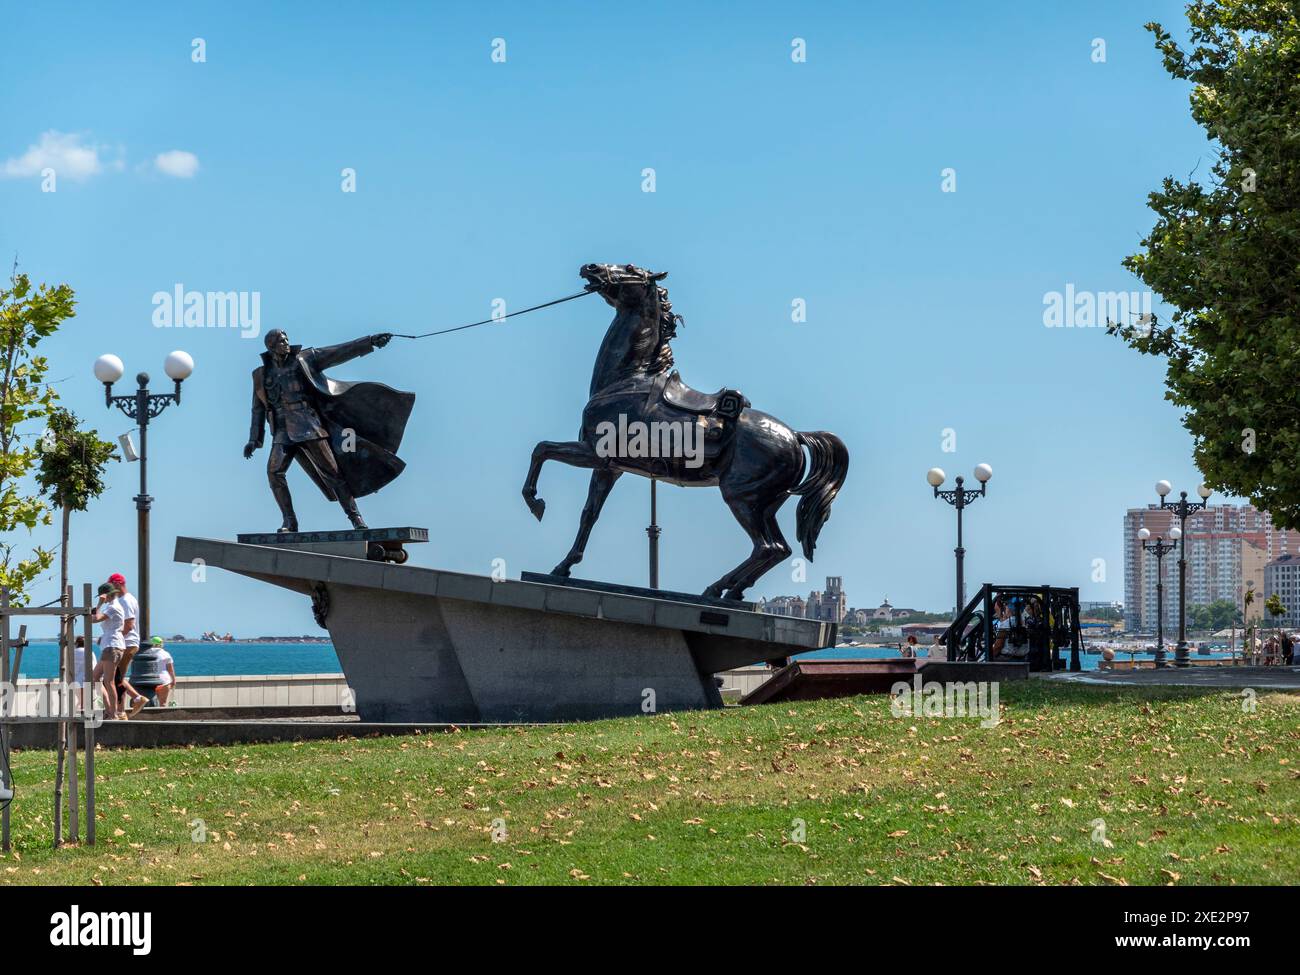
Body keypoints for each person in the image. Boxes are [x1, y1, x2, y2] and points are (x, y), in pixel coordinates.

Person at [107, 572, 147, 717]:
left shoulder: (126, 600)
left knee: (117, 678)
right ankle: (131, 702)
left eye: (111, 586)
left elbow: (129, 625)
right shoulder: (124, 600)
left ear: (117, 584)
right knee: (117, 677)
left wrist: (114, 636)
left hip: (127, 643)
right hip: (126, 643)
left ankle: (123, 709)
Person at [91, 582, 126, 719]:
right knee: (94, 678)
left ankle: (113, 713)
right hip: (109, 646)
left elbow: (95, 619)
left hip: (112, 646)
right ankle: (109, 710)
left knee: (109, 681)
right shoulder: (113, 607)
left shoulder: (113, 607)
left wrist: (99, 604)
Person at [151, 636, 177, 707]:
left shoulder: (147, 653)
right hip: (164, 681)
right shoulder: (166, 654)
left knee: (151, 704)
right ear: (161, 644)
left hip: (151, 681)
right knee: (163, 704)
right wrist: (174, 680)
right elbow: (170, 669)